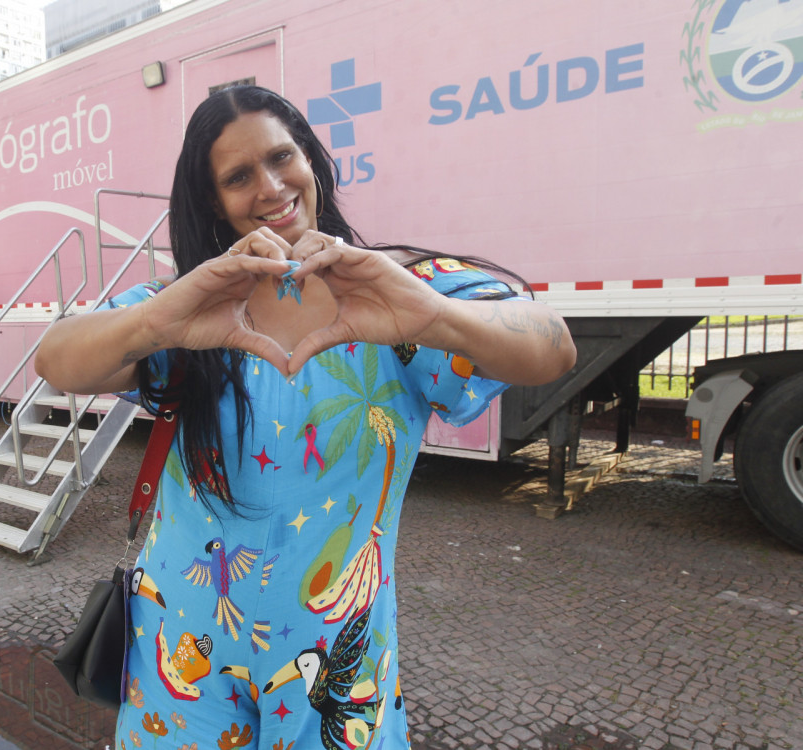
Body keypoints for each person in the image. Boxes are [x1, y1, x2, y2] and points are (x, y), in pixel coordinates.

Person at [35, 86, 576, 750]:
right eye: (238, 177)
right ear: (214, 201)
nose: (269, 187)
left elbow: (552, 346)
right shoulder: (193, 309)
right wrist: (156, 320)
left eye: (281, 156)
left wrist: (432, 315)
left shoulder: (396, 290)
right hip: (182, 649)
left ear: (311, 158)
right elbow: (56, 360)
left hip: (337, 661)